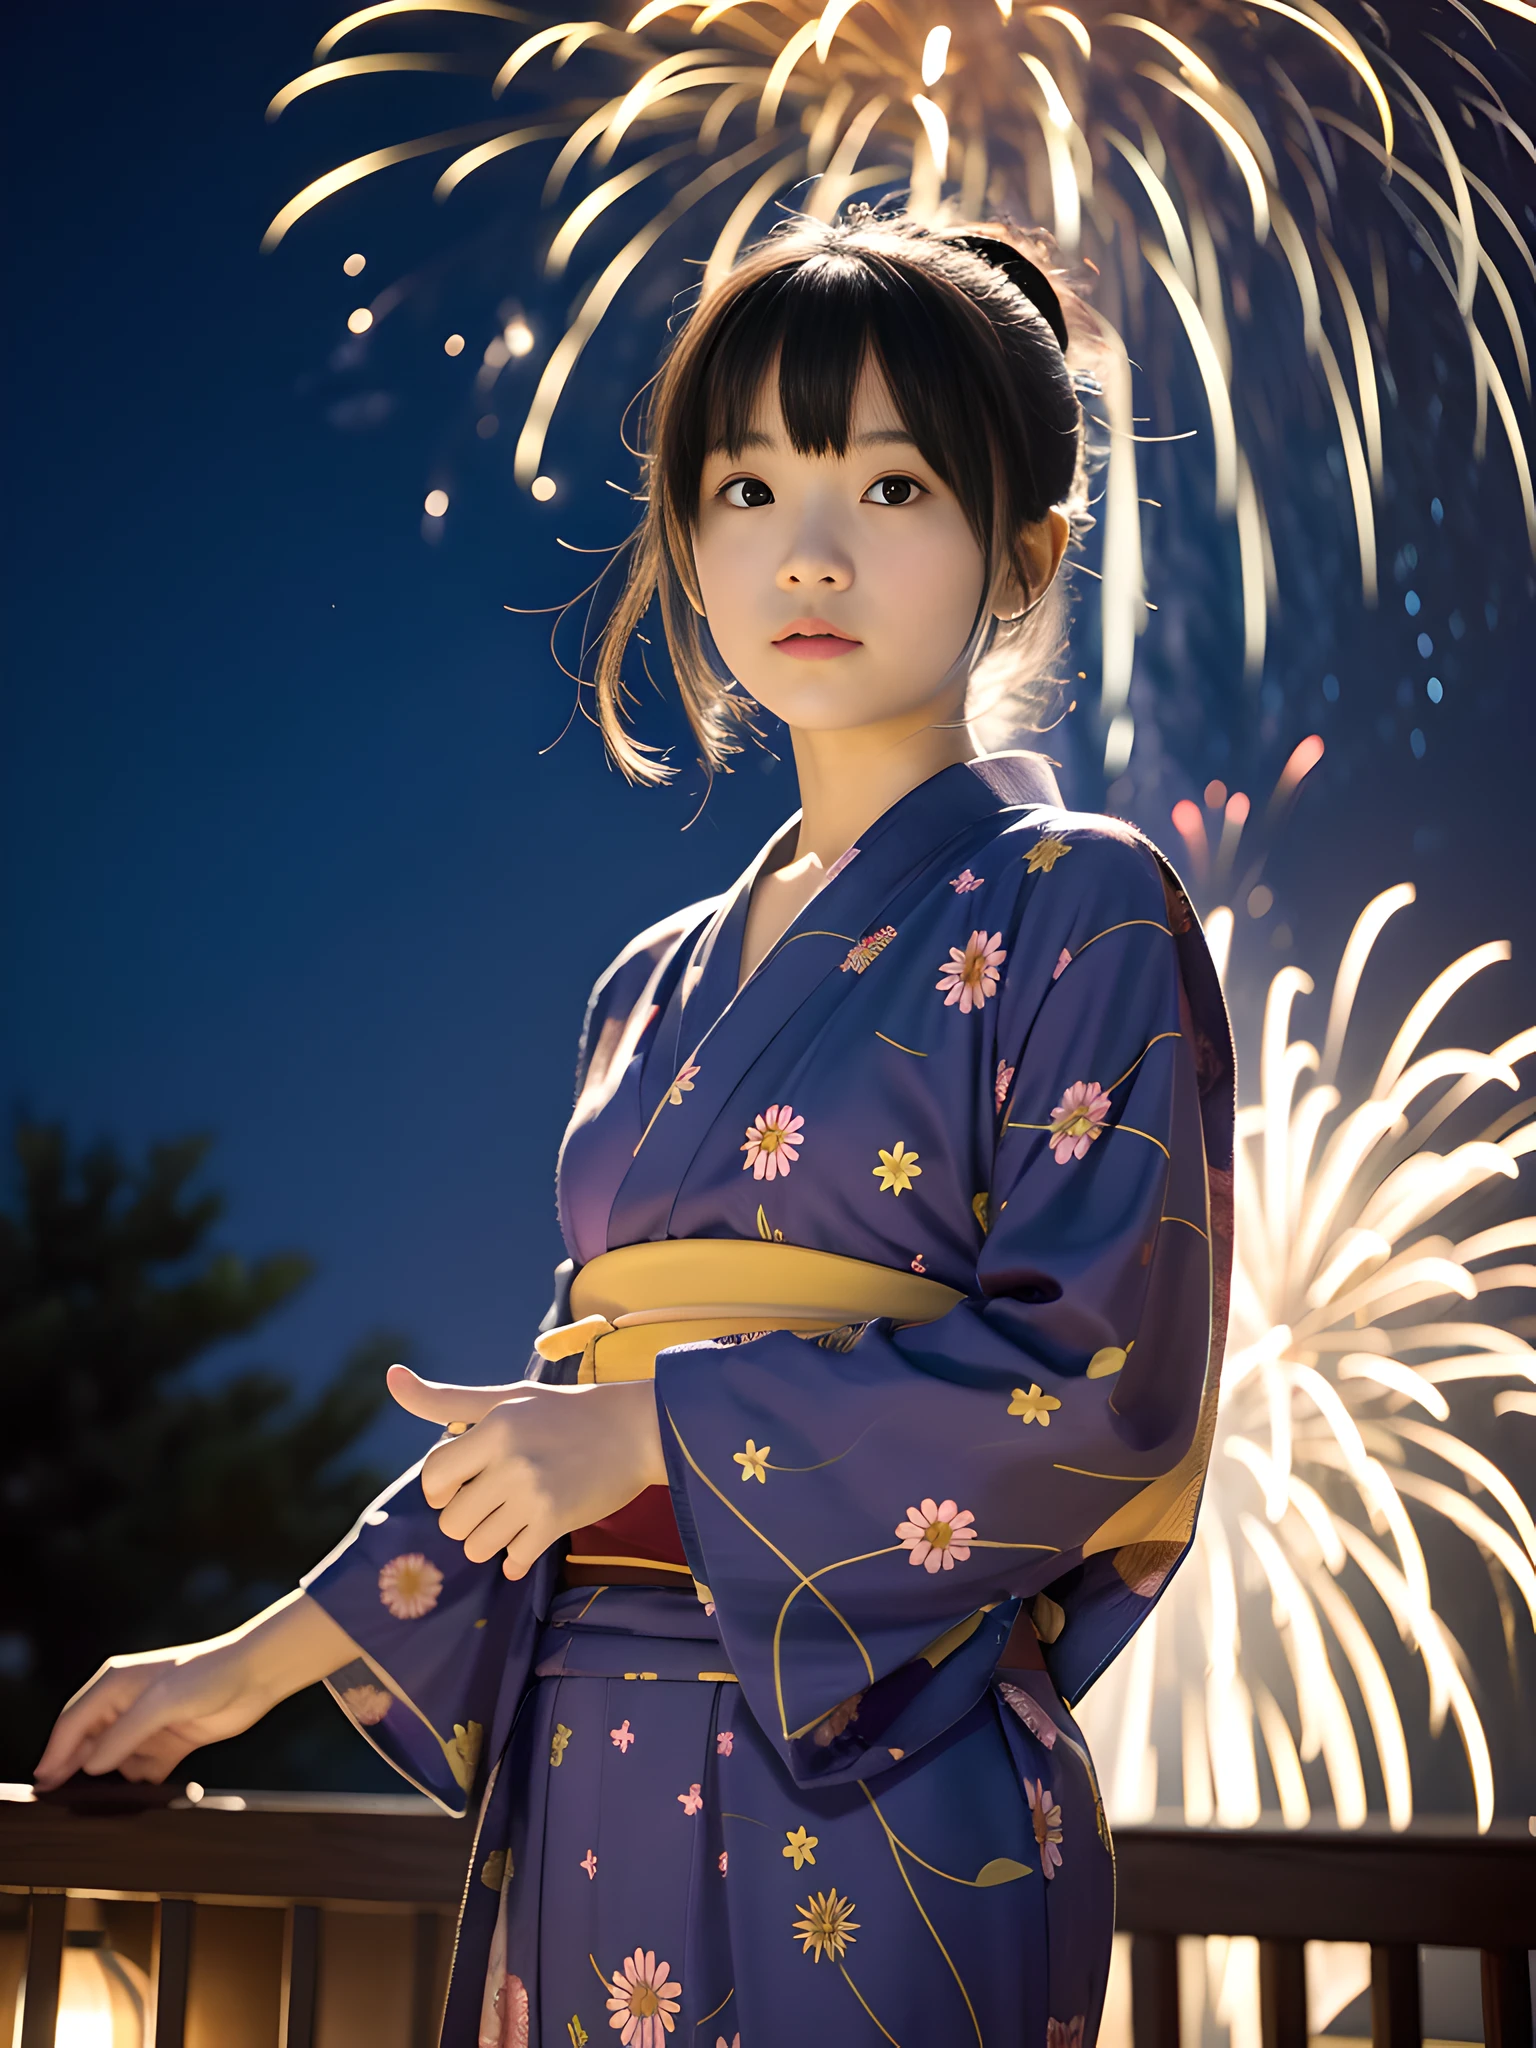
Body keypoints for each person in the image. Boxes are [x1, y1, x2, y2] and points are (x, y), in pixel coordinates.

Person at [37, 213, 1233, 2047]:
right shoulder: (650, 987)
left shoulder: (1085, 903)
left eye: (894, 486)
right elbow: (555, 1428)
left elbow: (1101, 1380)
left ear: (1026, 548)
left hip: (883, 1767)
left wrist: (652, 1435)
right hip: (586, 1751)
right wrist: (244, 1668)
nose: (808, 552)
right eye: (748, 487)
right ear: (687, 534)